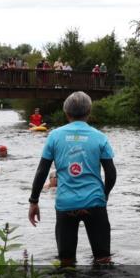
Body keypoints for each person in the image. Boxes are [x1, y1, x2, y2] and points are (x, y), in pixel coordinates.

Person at [28, 91, 117, 265]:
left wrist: (34, 201)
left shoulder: (54, 136)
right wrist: (104, 194)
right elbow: (111, 173)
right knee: (103, 260)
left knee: (66, 261)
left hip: (65, 204)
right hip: (94, 202)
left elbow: (42, 171)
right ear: (89, 112)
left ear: (66, 112)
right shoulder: (100, 137)